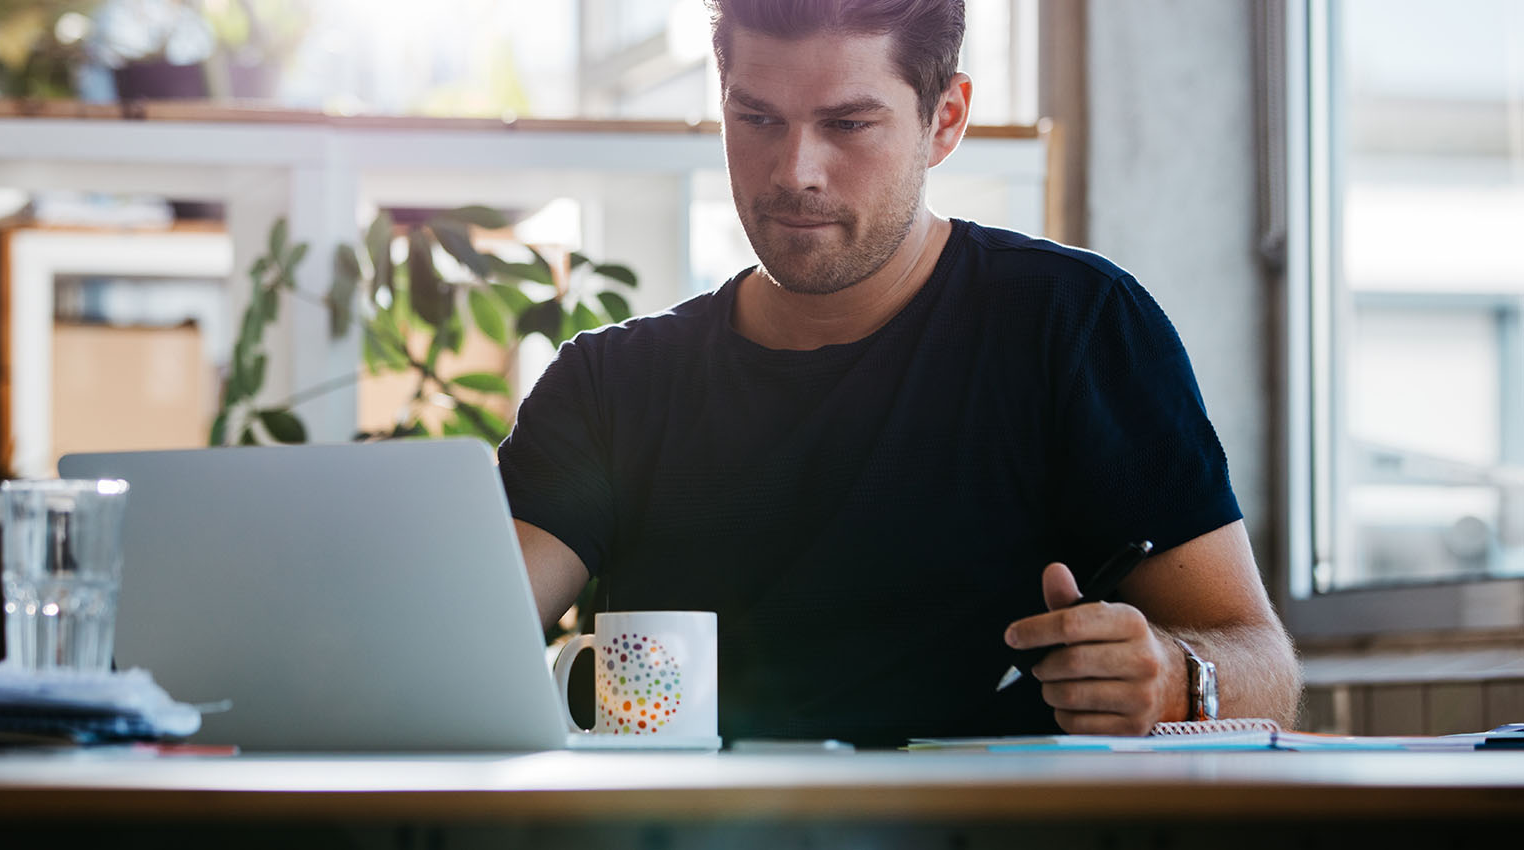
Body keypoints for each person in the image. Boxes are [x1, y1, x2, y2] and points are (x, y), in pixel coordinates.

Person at [497, 0, 1300, 746]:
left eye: (847, 123)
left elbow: (1264, 666)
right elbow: (458, 638)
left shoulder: (1073, 324)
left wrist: (1175, 679)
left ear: (942, 121)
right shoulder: (610, 385)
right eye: (756, 118)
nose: (794, 172)